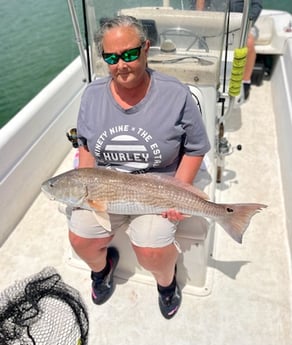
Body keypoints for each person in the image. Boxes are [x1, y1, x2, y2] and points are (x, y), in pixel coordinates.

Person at [68, 15, 210, 319]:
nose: (122, 64)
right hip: (106, 188)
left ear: (146, 48)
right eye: (112, 57)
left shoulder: (175, 94)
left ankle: (166, 283)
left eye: (130, 54)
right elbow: (85, 146)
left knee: (151, 250)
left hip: (159, 188)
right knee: (79, 238)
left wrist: (179, 191)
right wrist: (84, 184)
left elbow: (196, 148)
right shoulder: (92, 96)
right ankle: (103, 267)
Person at [195, 0, 263, 100]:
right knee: (200, 41)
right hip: (214, 20)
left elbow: (257, 5)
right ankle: (201, 77)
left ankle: (245, 82)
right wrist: (200, 17)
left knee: (249, 43)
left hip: (243, 22)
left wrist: (246, 22)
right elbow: (199, 5)